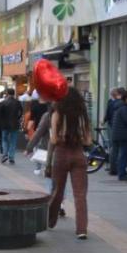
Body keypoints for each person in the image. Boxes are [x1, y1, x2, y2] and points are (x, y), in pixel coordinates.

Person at [48, 88, 92, 239]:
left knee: (57, 191)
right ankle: (81, 229)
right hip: (78, 154)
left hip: (61, 154)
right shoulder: (83, 117)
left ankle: (50, 220)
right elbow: (88, 140)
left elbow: (53, 140)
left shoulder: (56, 115)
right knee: (80, 195)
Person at [109, 89, 127, 181]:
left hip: (117, 133)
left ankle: (118, 170)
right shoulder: (125, 108)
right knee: (124, 154)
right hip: (123, 135)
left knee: (117, 153)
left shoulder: (119, 106)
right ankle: (122, 173)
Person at [0, 89, 23, 164]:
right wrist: (17, 118)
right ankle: (11, 157)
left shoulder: (3, 102)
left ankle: (5, 154)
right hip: (14, 124)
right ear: (14, 93)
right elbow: (21, 112)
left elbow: (0, 114)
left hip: (5, 124)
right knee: (13, 141)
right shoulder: (17, 102)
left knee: (4, 140)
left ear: (7, 93)